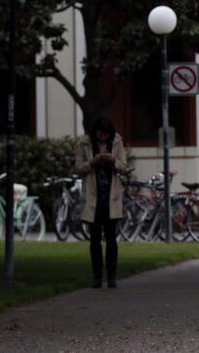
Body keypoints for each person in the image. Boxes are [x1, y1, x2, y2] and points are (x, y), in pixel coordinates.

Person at [74, 116, 128, 288]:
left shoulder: (117, 142)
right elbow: (78, 169)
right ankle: (97, 277)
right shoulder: (84, 143)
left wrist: (113, 161)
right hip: (93, 197)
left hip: (111, 197)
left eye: (105, 135)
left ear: (110, 134)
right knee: (94, 240)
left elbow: (124, 166)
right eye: (99, 135)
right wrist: (93, 162)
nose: (102, 138)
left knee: (111, 239)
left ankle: (111, 276)